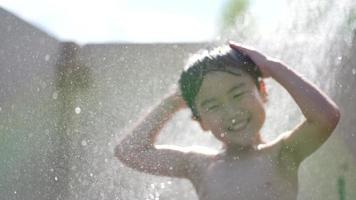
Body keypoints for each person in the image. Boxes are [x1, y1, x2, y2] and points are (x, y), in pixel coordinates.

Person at [115, 41, 340, 200]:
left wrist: (271, 66)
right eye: (212, 105)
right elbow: (129, 151)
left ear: (263, 91)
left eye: (238, 94)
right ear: (200, 121)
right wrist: (172, 102)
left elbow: (326, 117)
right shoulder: (199, 165)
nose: (231, 111)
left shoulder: (283, 154)